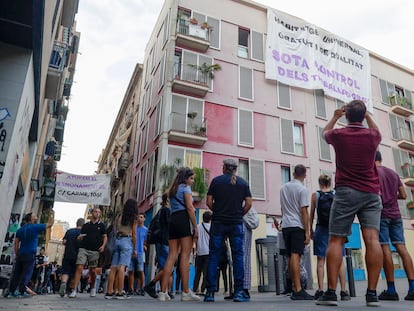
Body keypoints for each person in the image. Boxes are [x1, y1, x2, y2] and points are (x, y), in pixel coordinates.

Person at [316, 99, 383, 307]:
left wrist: (336, 116)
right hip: (371, 192)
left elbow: (324, 133)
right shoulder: (373, 136)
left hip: (346, 192)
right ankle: (371, 294)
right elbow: (376, 129)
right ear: (363, 116)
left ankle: (330, 293)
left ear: (346, 115)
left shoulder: (338, 134)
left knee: (336, 239)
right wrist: (368, 115)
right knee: (372, 239)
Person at [204, 158, 252, 303]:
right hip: (236, 223)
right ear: (235, 169)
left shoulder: (216, 181)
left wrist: (217, 211)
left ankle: (210, 293)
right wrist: (239, 213)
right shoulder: (243, 183)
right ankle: (238, 292)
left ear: (224, 167)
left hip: (218, 222)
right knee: (238, 255)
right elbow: (249, 203)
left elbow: (208, 202)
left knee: (213, 256)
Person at [375, 150, 414, 301]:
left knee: (385, 248)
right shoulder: (393, 173)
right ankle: (412, 288)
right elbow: (404, 195)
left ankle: (391, 290)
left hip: (382, 214)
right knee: (402, 248)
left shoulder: (373, 173)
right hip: (396, 215)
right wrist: (392, 196)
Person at [158, 167, 200, 302]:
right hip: (182, 219)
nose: (193, 181)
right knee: (185, 255)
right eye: (191, 178)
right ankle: (186, 292)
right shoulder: (185, 188)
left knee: (172, 255)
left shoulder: (172, 190)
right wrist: (195, 226)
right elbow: (189, 208)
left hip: (173, 220)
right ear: (185, 178)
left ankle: (162, 292)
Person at [310, 174, 350, 301]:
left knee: (321, 260)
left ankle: (321, 289)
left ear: (319, 183)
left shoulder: (315, 195)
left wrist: (310, 229)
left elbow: (311, 214)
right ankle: (343, 291)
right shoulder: (336, 194)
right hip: (336, 229)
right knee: (340, 260)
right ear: (330, 182)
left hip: (321, 229)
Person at [280, 164, 313, 300]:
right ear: (305, 175)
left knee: (289, 256)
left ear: (293, 173)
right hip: (297, 225)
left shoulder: (283, 188)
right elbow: (304, 211)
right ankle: (298, 289)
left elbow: (282, 208)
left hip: (286, 225)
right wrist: (307, 231)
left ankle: (294, 286)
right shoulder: (302, 189)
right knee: (296, 255)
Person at [8, 209, 54, 297]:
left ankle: (12, 290)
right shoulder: (35, 227)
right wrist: (52, 216)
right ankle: (21, 290)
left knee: (17, 272)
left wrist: (17, 253)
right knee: (26, 273)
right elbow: (50, 225)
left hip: (21, 253)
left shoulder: (20, 230)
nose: (36, 216)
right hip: (30, 254)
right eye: (34, 215)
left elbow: (16, 243)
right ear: (32, 219)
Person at [69, 207, 107, 298]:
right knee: (79, 267)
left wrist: (103, 246)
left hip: (95, 250)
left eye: (99, 212)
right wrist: (79, 238)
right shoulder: (86, 225)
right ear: (92, 213)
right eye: (95, 212)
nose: (97, 213)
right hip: (84, 249)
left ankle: (93, 287)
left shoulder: (101, 225)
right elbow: (81, 235)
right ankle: (74, 290)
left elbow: (105, 236)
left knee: (93, 270)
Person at [105, 199, 137, 299]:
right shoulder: (133, 218)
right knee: (122, 267)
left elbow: (115, 229)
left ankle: (109, 292)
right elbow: (134, 234)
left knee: (113, 267)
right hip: (127, 241)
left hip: (117, 240)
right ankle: (120, 292)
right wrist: (135, 248)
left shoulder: (119, 216)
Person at [144, 193, 173, 298]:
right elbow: (170, 226)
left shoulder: (160, 211)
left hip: (160, 241)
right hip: (164, 241)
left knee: (164, 267)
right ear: (168, 200)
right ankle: (152, 285)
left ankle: (163, 291)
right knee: (167, 267)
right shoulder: (166, 211)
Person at [59, 218, 85, 297]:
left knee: (65, 271)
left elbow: (64, 242)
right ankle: (71, 289)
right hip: (77, 256)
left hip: (67, 254)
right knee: (75, 273)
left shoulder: (69, 231)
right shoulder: (83, 234)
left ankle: (63, 283)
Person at [127, 212, 147, 296]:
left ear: (144, 219)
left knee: (140, 271)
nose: (139, 219)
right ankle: (131, 289)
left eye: (141, 217)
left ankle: (142, 288)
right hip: (131, 251)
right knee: (131, 271)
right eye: (138, 217)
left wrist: (144, 246)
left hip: (140, 252)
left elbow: (146, 241)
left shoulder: (146, 230)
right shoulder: (133, 228)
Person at [193, 210, 212, 295]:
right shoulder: (212, 227)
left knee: (198, 272)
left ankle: (195, 288)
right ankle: (203, 289)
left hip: (199, 252)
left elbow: (195, 238)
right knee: (206, 273)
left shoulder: (198, 227)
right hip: (208, 252)